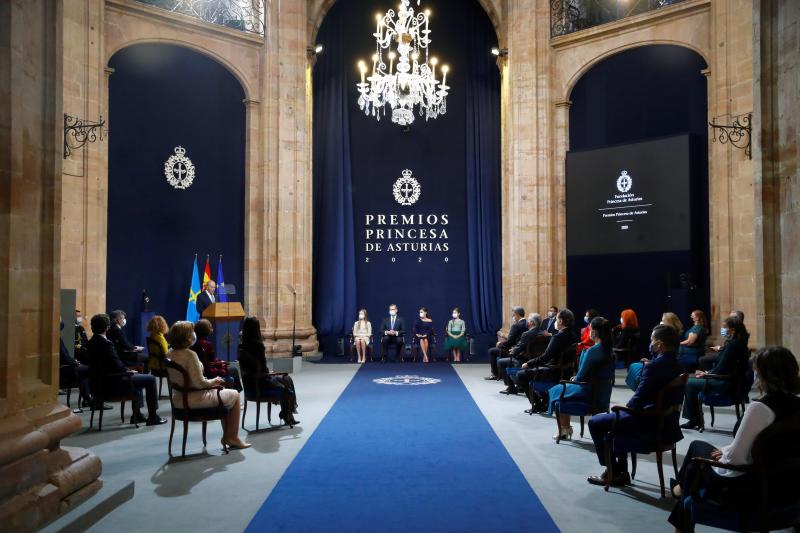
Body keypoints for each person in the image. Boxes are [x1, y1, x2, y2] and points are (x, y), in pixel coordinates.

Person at [668, 346, 800, 533]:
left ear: (765, 375)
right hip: (786, 486)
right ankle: (681, 489)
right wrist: (729, 448)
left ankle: (680, 490)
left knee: (696, 454)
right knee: (695, 465)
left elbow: (735, 460)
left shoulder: (760, 408)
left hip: (748, 488)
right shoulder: (796, 406)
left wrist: (726, 451)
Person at [587, 324, 683, 487]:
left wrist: (623, 408)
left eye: (653, 340)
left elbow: (637, 401)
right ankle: (621, 471)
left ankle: (613, 471)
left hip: (649, 423)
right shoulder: (678, 364)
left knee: (596, 422)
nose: (650, 343)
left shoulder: (654, 367)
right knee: (616, 421)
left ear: (659, 344)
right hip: (667, 424)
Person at [167, 321, 250, 450]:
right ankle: (232, 437)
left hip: (178, 399)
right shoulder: (190, 355)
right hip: (194, 398)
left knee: (226, 395)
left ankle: (229, 435)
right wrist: (214, 381)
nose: (193, 335)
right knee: (234, 395)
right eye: (191, 333)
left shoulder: (170, 353)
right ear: (186, 337)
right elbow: (200, 383)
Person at [86, 313, 166, 425]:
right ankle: (153, 417)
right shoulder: (106, 344)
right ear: (107, 327)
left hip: (97, 386)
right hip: (113, 384)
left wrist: (125, 370)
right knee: (151, 379)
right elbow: (116, 364)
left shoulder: (90, 343)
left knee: (140, 378)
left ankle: (137, 414)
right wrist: (127, 371)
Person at [547, 317, 614, 440]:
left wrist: (574, 379)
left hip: (589, 392)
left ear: (594, 332)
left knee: (558, 390)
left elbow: (581, 376)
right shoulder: (610, 350)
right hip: (603, 392)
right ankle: (565, 429)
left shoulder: (593, 351)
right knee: (563, 389)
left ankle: (564, 429)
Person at [680, 316, 750, 430]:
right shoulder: (738, 342)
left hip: (724, 383)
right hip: (729, 380)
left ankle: (694, 419)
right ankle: (694, 418)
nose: (722, 329)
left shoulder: (732, 345)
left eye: (724, 327)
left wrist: (707, 374)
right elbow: (723, 366)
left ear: (732, 329)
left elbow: (722, 368)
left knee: (688, 382)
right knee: (691, 380)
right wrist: (707, 372)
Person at [238, 316, 299, 426]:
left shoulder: (241, 346)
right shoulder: (258, 346)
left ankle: (287, 414)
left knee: (286, 379)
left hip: (250, 385)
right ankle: (288, 415)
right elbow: (264, 370)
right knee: (286, 380)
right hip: (262, 384)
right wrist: (270, 373)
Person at [517, 309, 578, 411]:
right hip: (567, 372)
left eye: (556, 319)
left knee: (521, 375)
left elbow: (545, 357)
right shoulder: (574, 335)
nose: (555, 321)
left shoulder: (557, 337)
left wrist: (528, 363)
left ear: (561, 321)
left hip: (555, 372)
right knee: (536, 369)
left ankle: (537, 404)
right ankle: (546, 401)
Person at [625, 311, 685, 391]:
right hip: (663, 364)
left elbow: (664, 356)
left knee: (635, 369)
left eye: (663, 320)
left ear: (670, 322)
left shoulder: (669, 337)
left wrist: (651, 363)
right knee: (635, 366)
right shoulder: (669, 334)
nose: (661, 322)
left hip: (663, 368)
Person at [498, 313, 544, 394]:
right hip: (538, 359)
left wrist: (512, 351)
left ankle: (511, 387)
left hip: (525, 359)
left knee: (501, 362)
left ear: (531, 323)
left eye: (528, 321)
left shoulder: (527, 334)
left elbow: (517, 349)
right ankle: (519, 386)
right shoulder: (543, 333)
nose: (527, 322)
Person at [485, 307, 527, 380]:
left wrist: (500, 344)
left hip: (515, 351)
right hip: (524, 351)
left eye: (513, 315)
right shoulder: (527, 324)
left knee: (491, 351)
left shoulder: (516, 326)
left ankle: (495, 374)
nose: (513, 317)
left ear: (517, 315)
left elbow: (510, 342)